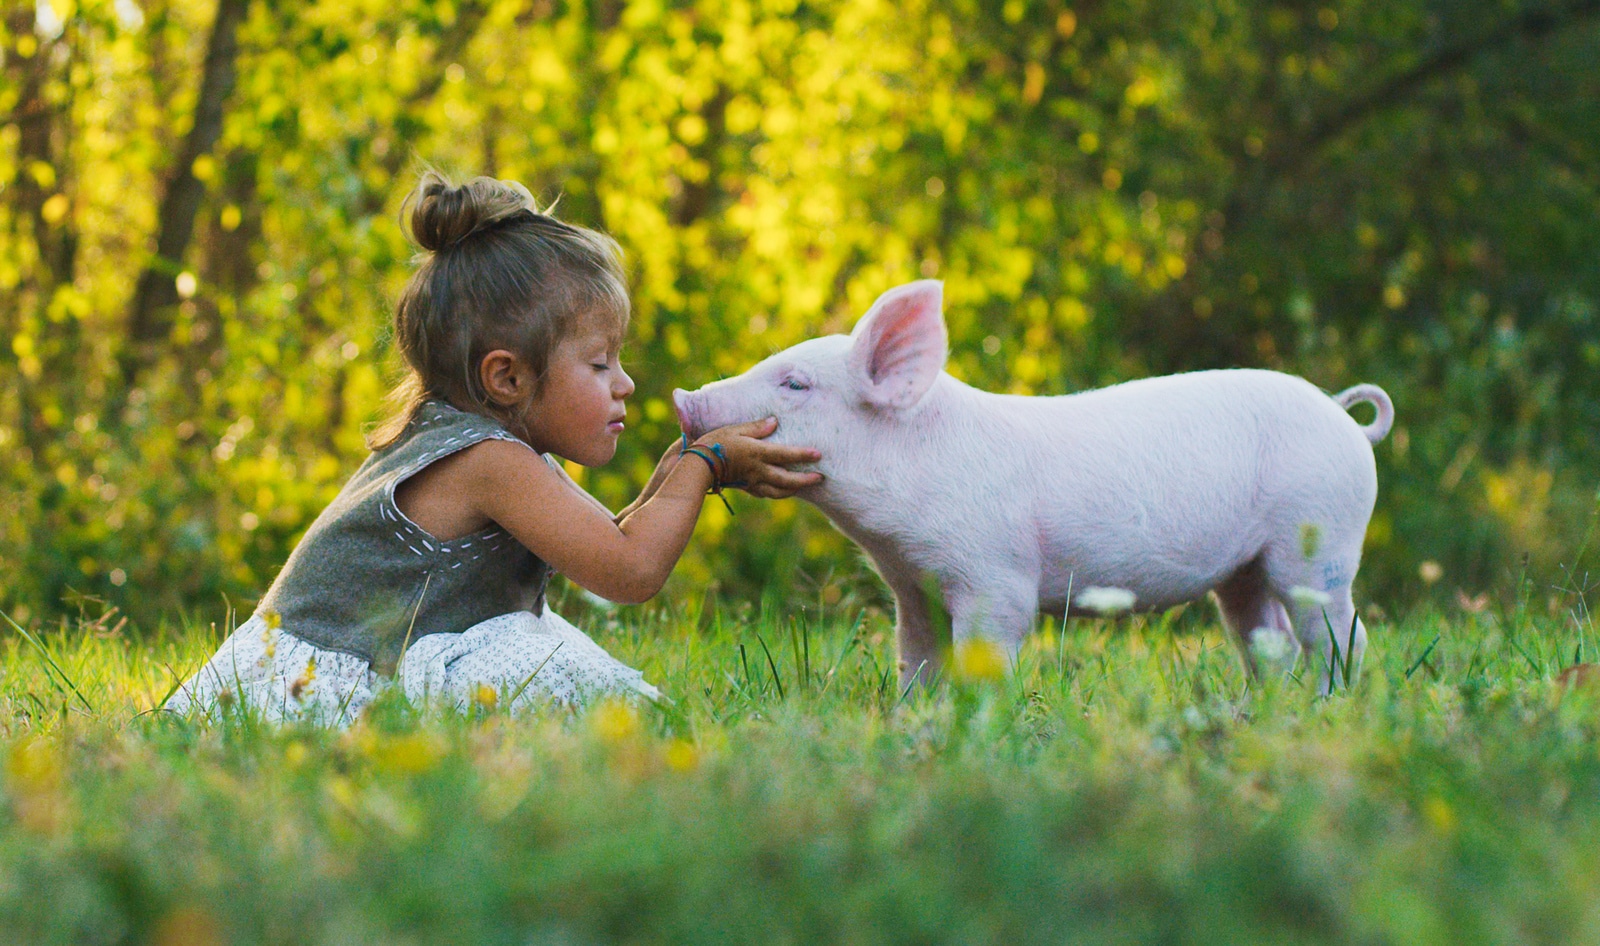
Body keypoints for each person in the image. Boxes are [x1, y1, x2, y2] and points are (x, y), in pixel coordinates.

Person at [166, 171, 821, 724]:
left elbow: (606, 539)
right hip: (319, 693)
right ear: (507, 377)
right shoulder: (488, 462)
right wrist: (703, 467)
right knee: (567, 683)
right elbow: (627, 571)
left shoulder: (476, 443)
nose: (624, 383)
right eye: (599, 364)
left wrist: (684, 467)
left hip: (371, 659)